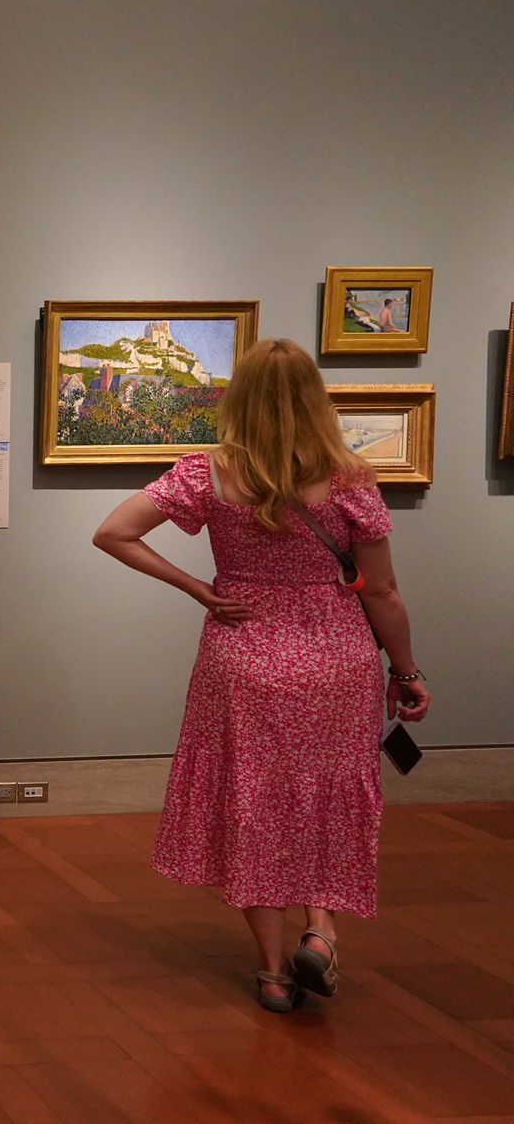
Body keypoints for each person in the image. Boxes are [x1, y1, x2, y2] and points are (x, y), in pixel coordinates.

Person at [92, 340, 427, 1014]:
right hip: (335, 658)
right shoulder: (349, 478)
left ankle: (274, 972)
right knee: (327, 793)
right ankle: (321, 933)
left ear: (238, 397)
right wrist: (406, 670)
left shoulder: (210, 474)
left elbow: (113, 532)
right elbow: (382, 591)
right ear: (314, 398)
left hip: (243, 654)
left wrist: (197, 587)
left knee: (254, 798)